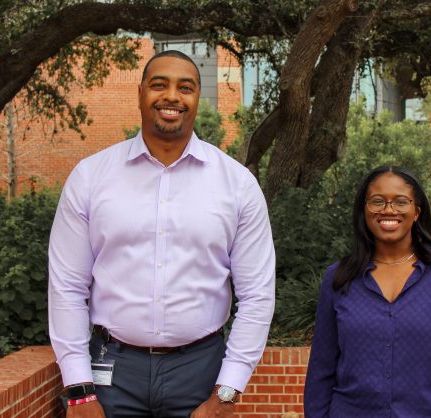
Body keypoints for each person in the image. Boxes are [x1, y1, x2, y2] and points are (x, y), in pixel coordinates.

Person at [48, 50, 275, 418]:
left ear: (197, 98)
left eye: (185, 87)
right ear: (140, 93)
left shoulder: (237, 185)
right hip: (111, 370)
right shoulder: (91, 177)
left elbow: (257, 297)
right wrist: (79, 391)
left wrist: (227, 393)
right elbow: (67, 288)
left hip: (200, 371)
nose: (172, 96)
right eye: (159, 85)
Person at [304, 166, 431, 417]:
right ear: (364, 210)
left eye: (400, 202)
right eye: (377, 201)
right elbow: (321, 368)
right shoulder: (338, 278)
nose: (388, 210)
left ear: (416, 211)